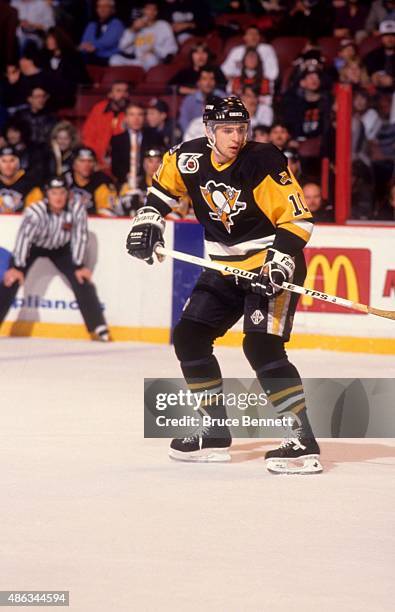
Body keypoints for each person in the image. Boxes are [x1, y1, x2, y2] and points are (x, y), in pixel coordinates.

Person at [126, 96, 322, 474]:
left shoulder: (263, 160)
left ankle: (302, 441)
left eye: (241, 129)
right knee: (189, 337)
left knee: (261, 345)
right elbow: (162, 191)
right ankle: (214, 431)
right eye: (227, 130)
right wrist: (149, 218)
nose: (235, 137)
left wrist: (279, 261)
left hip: (270, 264)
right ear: (209, 131)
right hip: (225, 267)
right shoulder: (189, 157)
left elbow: (298, 220)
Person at [0, 176, 110, 341]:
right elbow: (24, 239)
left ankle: (98, 326)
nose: (58, 197)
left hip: (61, 249)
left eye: (61, 192)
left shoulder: (77, 210)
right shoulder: (35, 212)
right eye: (53, 193)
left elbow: (80, 237)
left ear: (67, 194)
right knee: (11, 279)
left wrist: (79, 265)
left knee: (81, 280)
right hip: (34, 248)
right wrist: (17, 267)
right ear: (47, 195)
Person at [109, 1, 177, 70]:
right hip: (139, 62)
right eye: (148, 9)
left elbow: (172, 49)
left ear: (156, 12)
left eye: (153, 10)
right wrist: (133, 30)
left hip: (156, 61)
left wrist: (155, 50)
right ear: (143, 11)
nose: (151, 12)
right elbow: (123, 47)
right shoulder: (137, 26)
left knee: (150, 58)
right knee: (114, 59)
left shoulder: (163, 25)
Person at [110, 102, 165, 186]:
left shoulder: (155, 138)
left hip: (148, 184)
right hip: (124, 184)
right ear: (126, 118)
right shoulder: (117, 140)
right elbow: (115, 167)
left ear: (144, 118)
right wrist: (127, 178)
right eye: (132, 115)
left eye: (140, 115)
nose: (136, 119)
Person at [81, 80, 129, 166]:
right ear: (110, 94)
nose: (123, 95)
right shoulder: (99, 108)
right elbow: (88, 136)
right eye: (118, 91)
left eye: (125, 91)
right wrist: (96, 159)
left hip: (122, 160)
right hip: (97, 159)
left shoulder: (131, 112)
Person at [221, 25, 279, 93]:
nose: (253, 37)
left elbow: (273, 74)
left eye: (256, 34)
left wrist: (251, 82)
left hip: (260, 88)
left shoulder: (267, 49)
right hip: (238, 88)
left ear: (259, 37)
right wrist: (238, 80)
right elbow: (224, 72)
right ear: (244, 37)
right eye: (250, 34)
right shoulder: (236, 51)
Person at [69, 146, 118, 217]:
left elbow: (107, 213)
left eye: (90, 161)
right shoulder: (65, 181)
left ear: (95, 164)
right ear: (73, 164)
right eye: (81, 161)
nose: (86, 165)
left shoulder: (102, 181)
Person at [118, 147, 164, 216]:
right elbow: (118, 209)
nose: (154, 166)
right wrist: (128, 197)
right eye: (150, 161)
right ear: (144, 164)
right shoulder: (134, 184)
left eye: (158, 161)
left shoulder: (168, 186)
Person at [178, 67, 226, 134]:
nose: (208, 83)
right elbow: (183, 121)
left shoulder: (223, 98)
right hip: (194, 136)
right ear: (198, 82)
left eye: (211, 79)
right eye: (204, 79)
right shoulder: (189, 100)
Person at [79, 0, 124, 65]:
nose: (102, 9)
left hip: (108, 58)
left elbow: (109, 42)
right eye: (99, 6)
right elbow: (84, 41)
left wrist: (94, 47)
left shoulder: (117, 24)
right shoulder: (92, 25)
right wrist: (87, 46)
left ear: (112, 9)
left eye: (105, 6)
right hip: (88, 56)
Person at [0, 145, 42, 213]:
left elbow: (34, 214)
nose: (8, 165)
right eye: (4, 161)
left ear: (18, 162)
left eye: (12, 160)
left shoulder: (30, 183)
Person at [363, 20, 395, 93]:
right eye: (386, 35)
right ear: (381, 38)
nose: (390, 38)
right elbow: (365, 74)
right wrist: (375, 78)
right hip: (376, 94)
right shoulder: (372, 55)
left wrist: (392, 81)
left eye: (393, 35)